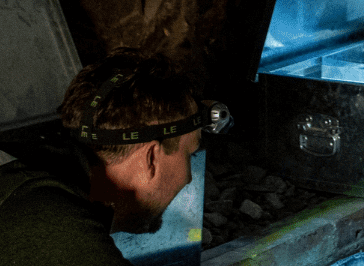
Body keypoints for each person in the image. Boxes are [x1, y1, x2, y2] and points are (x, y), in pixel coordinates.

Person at [0, 49, 212, 266]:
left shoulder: (30, 184)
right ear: (150, 158)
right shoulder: (62, 236)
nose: (188, 178)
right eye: (189, 154)